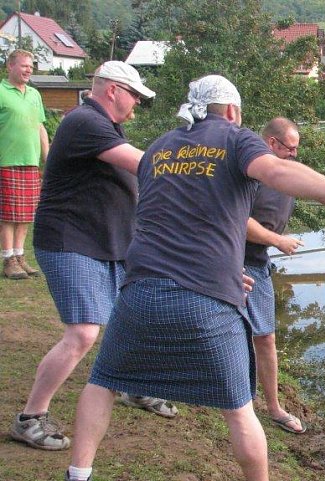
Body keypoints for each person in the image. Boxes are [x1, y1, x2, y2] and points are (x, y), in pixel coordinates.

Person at [64, 75, 325, 481]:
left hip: (140, 289)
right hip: (207, 300)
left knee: (102, 382)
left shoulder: (160, 148)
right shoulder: (236, 138)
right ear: (233, 111)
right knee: (239, 409)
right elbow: (276, 171)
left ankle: (78, 474)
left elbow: (162, 217)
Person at [10, 61, 177, 453]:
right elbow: (145, 164)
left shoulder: (107, 126)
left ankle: (135, 388)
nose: (137, 104)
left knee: (133, 317)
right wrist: (195, 170)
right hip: (72, 242)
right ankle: (30, 418)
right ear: (113, 90)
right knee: (84, 332)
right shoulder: (85, 122)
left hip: (109, 244)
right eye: (135, 95)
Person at [244, 117, 307, 434]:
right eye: (290, 148)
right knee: (225, 335)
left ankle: (273, 407)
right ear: (272, 143)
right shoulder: (251, 172)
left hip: (259, 262)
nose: (294, 154)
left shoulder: (286, 172)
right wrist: (278, 240)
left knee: (265, 337)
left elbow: (317, 189)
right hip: (230, 262)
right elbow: (237, 221)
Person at [0, 50, 49, 279]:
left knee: (26, 213)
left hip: (30, 161)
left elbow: (40, 127)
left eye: (31, 66)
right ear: (10, 66)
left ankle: (20, 256)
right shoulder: (1, 91)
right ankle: (8, 259)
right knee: (8, 214)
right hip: (6, 161)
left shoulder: (34, 94)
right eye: (24, 66)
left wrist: (48, 156)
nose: (29, 70)